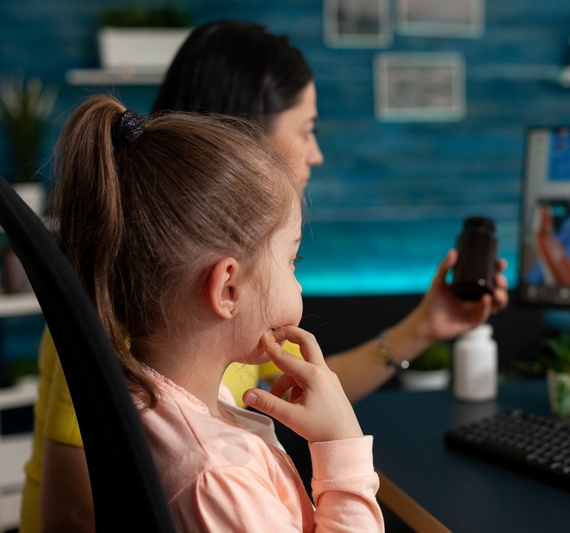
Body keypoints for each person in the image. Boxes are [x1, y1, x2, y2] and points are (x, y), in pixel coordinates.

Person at [21, 20, 508, 532]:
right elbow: (73, 514)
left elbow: (287, 392)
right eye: (306, 128)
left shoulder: (183, 370)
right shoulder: (115, 326)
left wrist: (425, 326)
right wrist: (341, 450)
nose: (315, 152)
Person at [49, 95, 384, 531]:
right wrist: (341, 444)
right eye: (292, 261)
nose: (297, 283)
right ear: (228, 288)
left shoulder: (153, 404)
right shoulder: (217, 479)